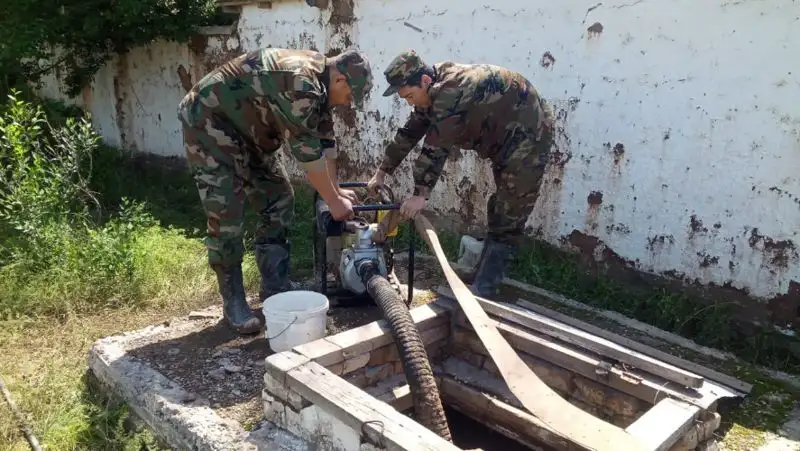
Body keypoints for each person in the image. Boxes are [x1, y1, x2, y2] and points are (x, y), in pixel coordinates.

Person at [178, 47, 373, 334]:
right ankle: (234, 302)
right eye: (350, 95)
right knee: (227, 212)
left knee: (278, 198)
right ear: (340, 79)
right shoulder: (300, 82)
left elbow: (325, 143)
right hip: (209, 123)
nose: (348, 102)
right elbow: (308, 155)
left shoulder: (321, 85)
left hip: (251, 132)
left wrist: (336, 191)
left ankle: (275, 286)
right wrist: (333, 201)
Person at [368, 49, 554, 299]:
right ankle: (483, 275)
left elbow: (436, 146)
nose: (410, 102)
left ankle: (485, 287)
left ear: (424, 81)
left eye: (410, 96)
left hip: (530, 133)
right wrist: (382, 171)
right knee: (500, 207)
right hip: (506, 138)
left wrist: (420, 194)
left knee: (510, 210)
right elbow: (410, 132)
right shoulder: (431, 89)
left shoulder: (451, 92)